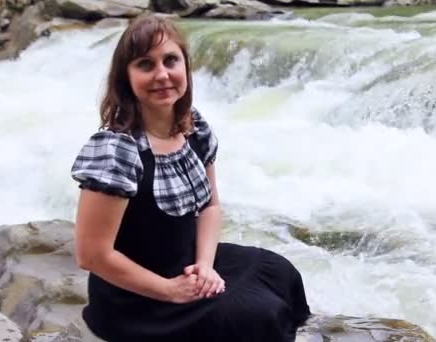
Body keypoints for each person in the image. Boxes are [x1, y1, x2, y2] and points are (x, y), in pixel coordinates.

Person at [70, 15, 310, 342]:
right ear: (126, 78)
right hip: (135, 298)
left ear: (185, 66)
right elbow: (92, 254)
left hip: (185, 262)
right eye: (145, 64)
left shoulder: (192, 127)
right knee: (256, 314)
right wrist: (170, 291)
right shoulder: (116, 150)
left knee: (280, 272)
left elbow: (210, 205)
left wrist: (205, 266)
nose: (162, 74)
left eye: (171, 60)